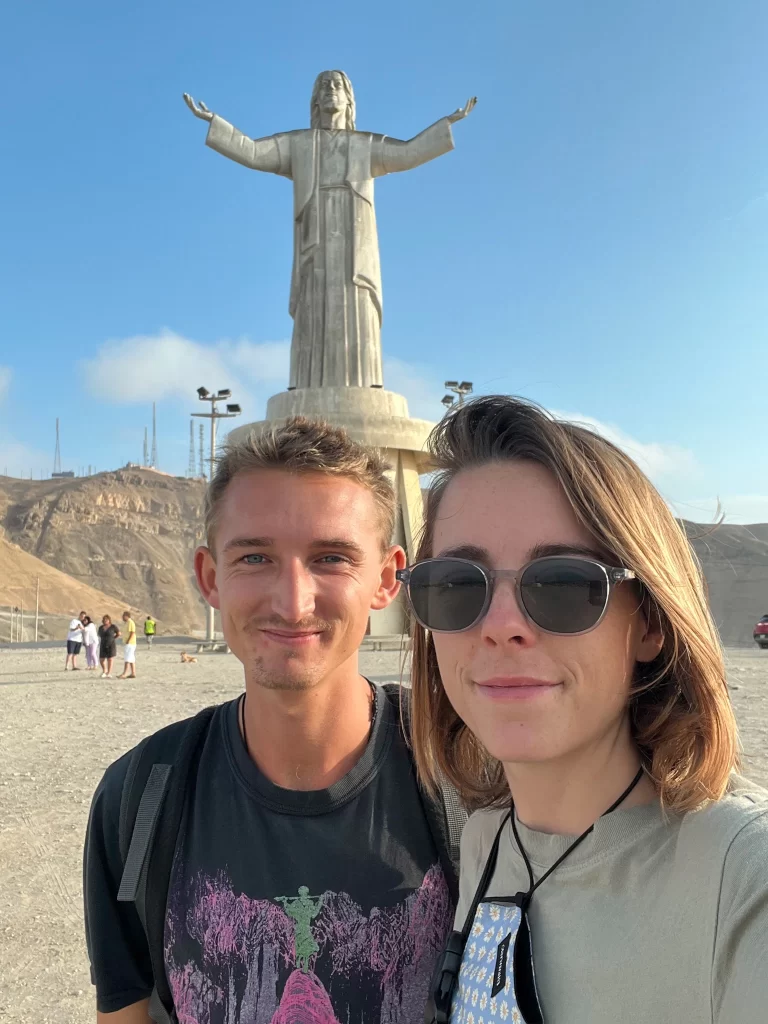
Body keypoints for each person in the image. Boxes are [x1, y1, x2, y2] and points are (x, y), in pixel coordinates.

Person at [84, 418, 463, 1024]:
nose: (292, 602)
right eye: (255, 557)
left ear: (388, 580)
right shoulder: (138, 797)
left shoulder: (463, 773)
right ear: (211, 577)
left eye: (331, 557)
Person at [403, 396, 768, 1024]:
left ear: (652, 622)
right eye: (459, 585)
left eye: (565, 584)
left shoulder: (742, 882)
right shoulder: (489, 839)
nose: (502, 627)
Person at [97, 615, 120, 679]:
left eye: (106, 620)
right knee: (101, 659)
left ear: (109, 620)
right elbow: (99, 635)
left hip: (111, 644)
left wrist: (113, 638)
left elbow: (119, 633)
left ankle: (109, 673)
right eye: (104, 620)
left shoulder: (113, 627)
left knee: (110, 659)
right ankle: (105, 670)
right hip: (103, 644)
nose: (105, 621)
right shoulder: (101, 627)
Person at [118, 610, 137, 679]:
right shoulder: (126, 623)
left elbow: (132, 632)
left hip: (130, 643)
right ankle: (133, 673)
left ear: (126, 616)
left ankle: (124, 673)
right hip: (128, 642)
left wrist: (128, 641)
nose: (122, 618)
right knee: (131, 658)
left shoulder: (130, 622)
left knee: (127, 658)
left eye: (123, 616)